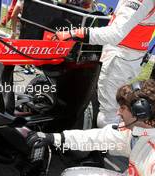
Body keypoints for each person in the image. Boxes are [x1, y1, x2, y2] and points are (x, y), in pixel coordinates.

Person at [53, 0, 155, 128]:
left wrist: (74, 33)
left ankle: (106, 146)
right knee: (123, 109)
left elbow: (114, 34)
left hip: (120, 60)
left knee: (108, 116)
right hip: (131, 59)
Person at [27, 79, 155, 175]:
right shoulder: (138, 132)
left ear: (140, 112)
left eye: (123, 108)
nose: (118, 112)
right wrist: (54, 138)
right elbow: (97, 138)